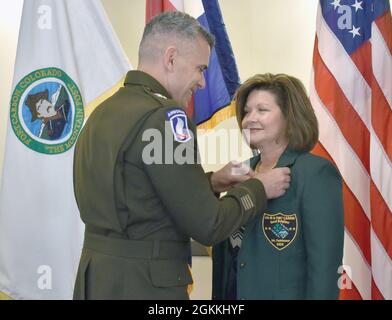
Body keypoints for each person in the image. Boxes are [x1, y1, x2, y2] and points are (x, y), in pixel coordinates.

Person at [72, 12, 291, 300]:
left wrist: (211, 183)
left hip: (97, 279)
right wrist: (258, 188)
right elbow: (209, 225)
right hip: (145, 287)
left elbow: (137, 193)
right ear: (171, 58)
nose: (202, 82)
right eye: (200, 68)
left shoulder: (102, 113)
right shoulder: (165, 118)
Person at [212, 73, 344, 300]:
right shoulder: (238, 172)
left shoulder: (314, 173)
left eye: (262, 110)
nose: (250, 119)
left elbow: (324, 268)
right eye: (246, 112)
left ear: (289, 117)